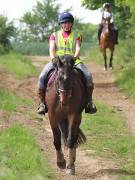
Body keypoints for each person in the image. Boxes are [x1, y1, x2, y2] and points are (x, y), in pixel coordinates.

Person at [37, 12, 97, 115]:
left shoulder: (77, 35)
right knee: (42, 76)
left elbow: (78, 49)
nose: (66, 25)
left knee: (88, 75)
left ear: (72, 24)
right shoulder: (54, 35)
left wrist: (74, 58)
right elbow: (52, 49)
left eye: (69, 23)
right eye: (64, 23)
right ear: (60, 24)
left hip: (73, 61)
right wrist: (53, 59)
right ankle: (42, 103)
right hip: (58, 61)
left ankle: (89, 102)